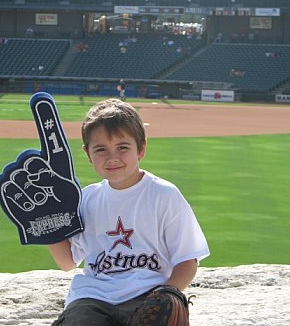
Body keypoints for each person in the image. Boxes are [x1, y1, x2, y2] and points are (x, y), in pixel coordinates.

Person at [49, 99, 210, 326]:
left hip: (148, 296)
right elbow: (67, 262)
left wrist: (169, 292)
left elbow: (187, 260)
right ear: (88, 153)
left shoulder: (163, 195)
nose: (112, 157)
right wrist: (46, 223)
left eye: (122, 147)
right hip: (93, 297)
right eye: (101, 149)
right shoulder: (86, 199)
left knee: (162, 311)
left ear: (141, 148)